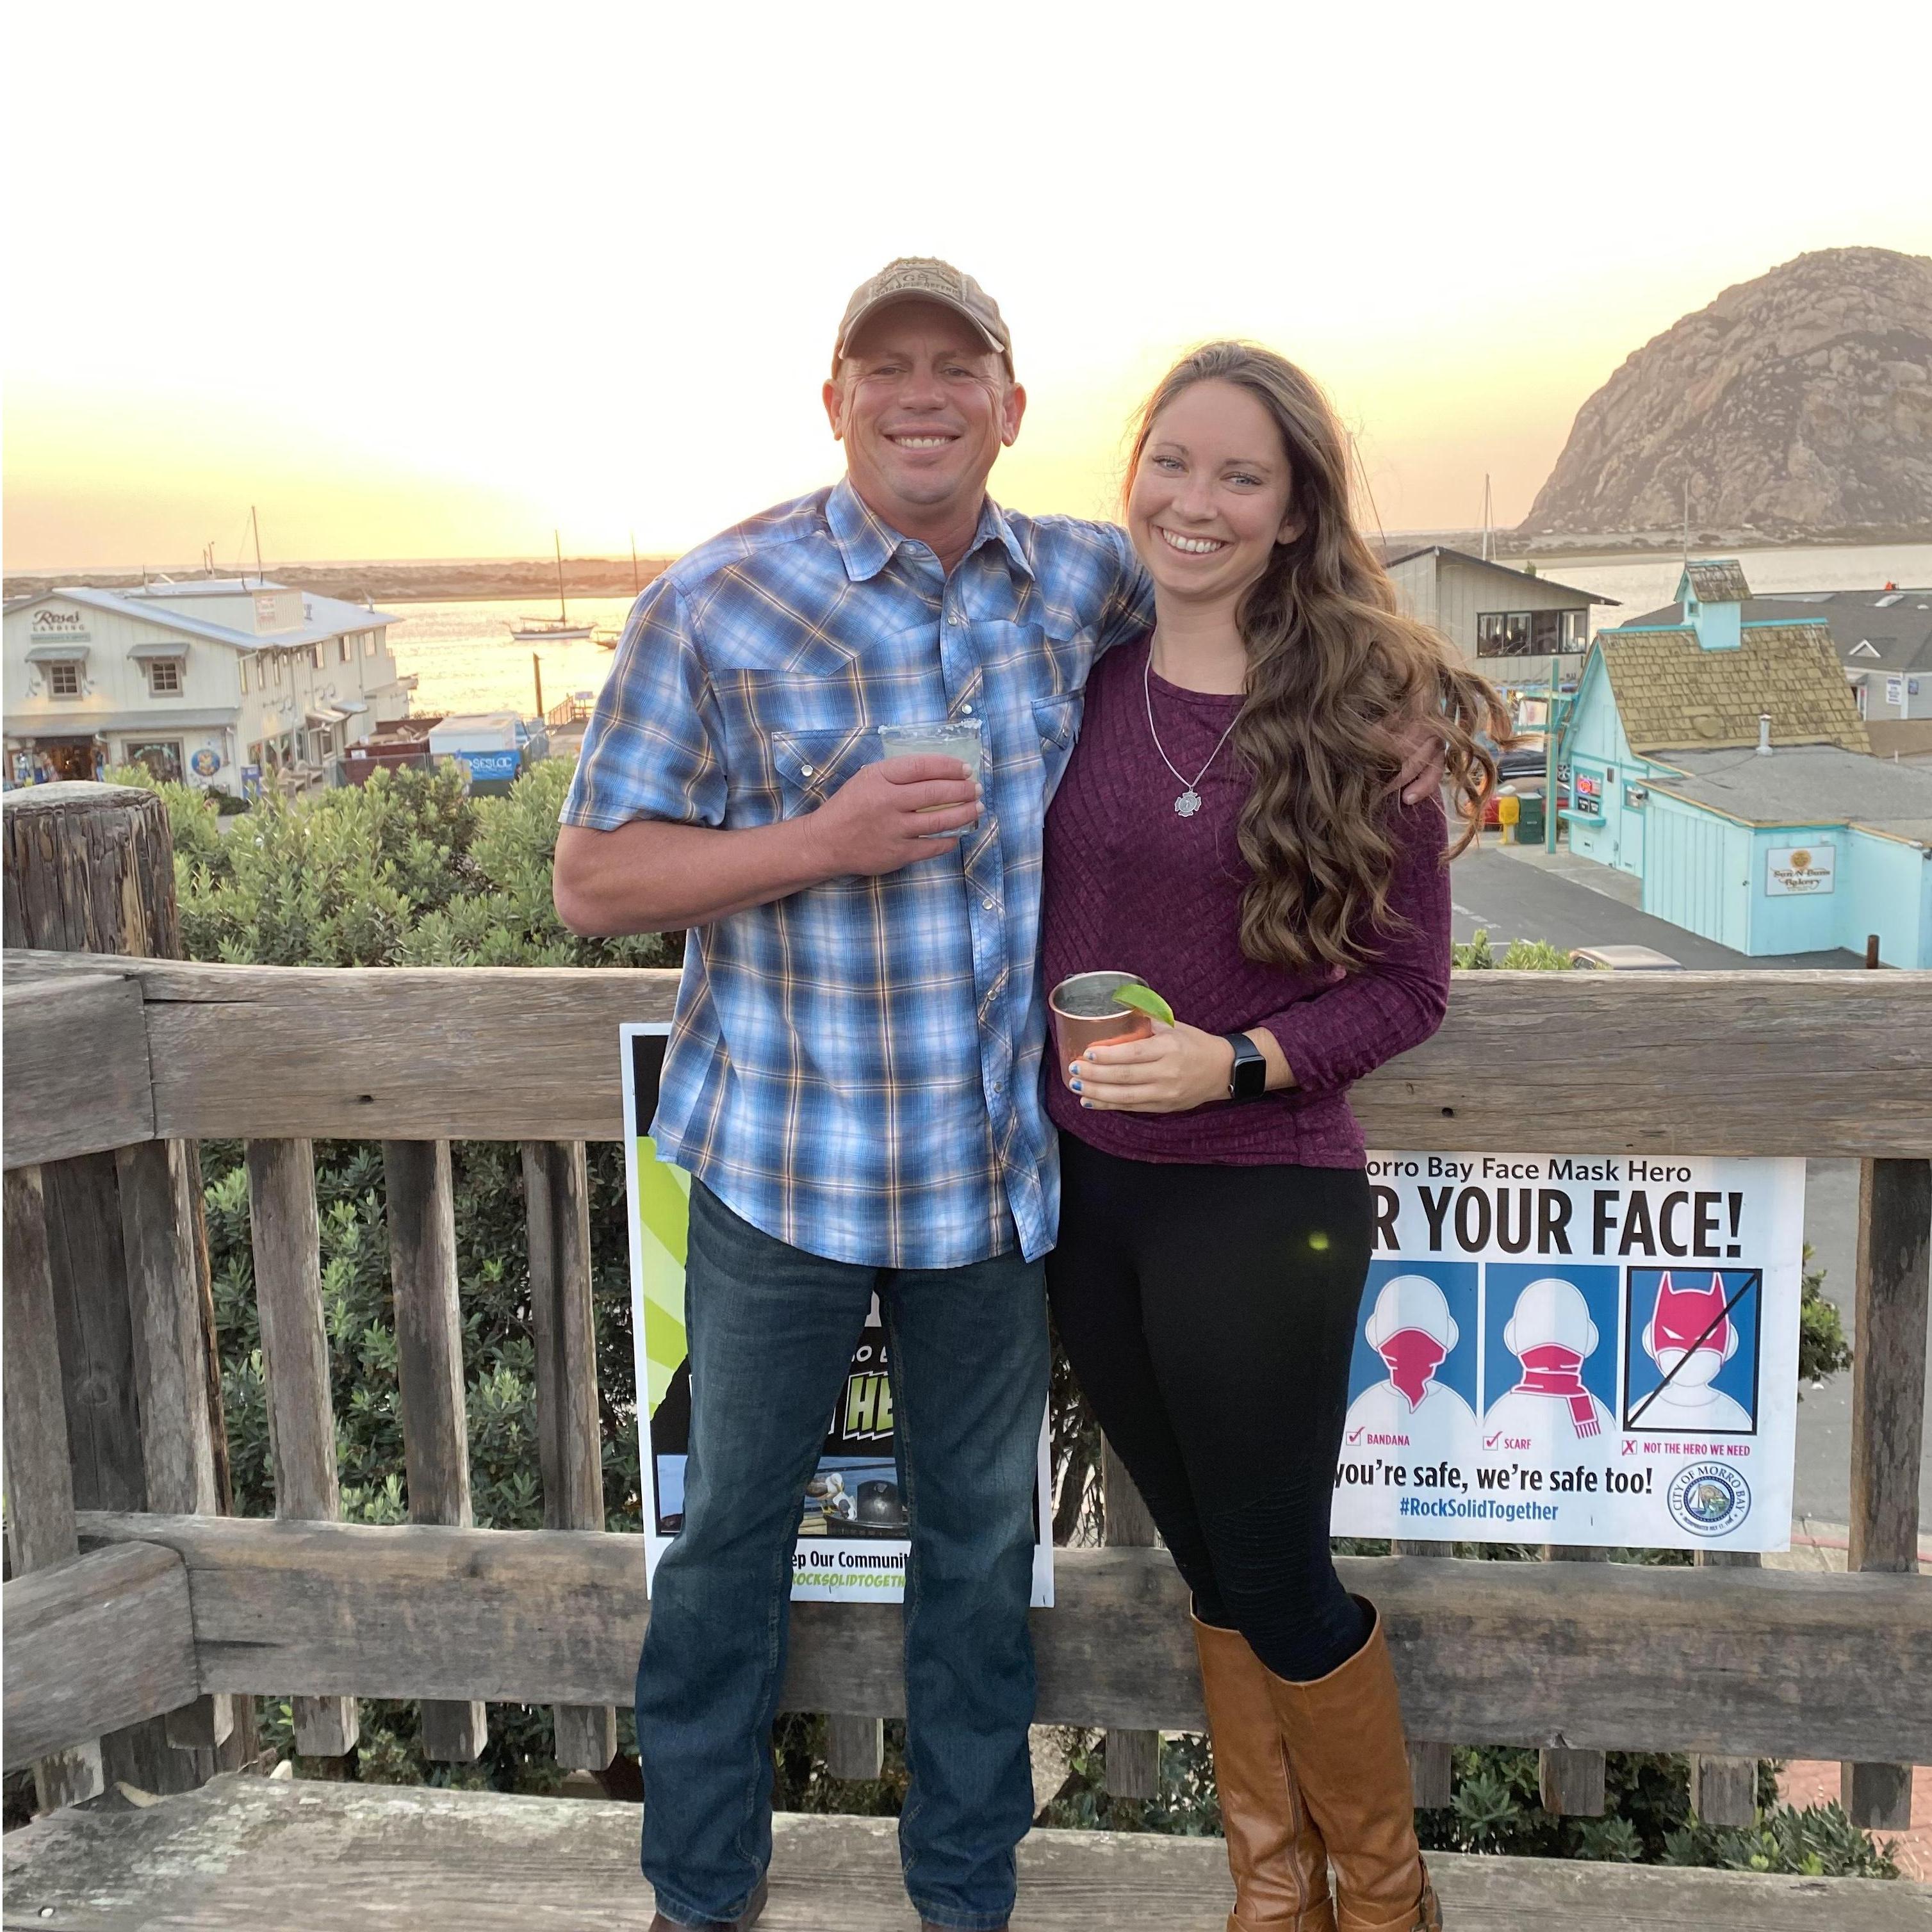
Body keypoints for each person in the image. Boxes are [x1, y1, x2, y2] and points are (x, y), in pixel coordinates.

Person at [553, 263, 1446, 1932]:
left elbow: (1264, 586)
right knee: (730, 1541)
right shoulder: (714, 600)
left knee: (977, 1561)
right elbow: (592, 879)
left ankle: (966, 1896)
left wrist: (1415, 703)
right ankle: (700, 1893)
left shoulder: (1078, 579)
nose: (921, 395)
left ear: (1011, 407)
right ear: (833, 399)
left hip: (993, 1190)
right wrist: (822, 840)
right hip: (784, 1176)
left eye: (955, 367)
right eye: (883, 366)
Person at [1042, 342, 1508, 1932]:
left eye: (1240, 474)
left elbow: (1408, 986)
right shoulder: (1078, 668)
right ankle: (1272, 1886)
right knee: (1211, 1567)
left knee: (1274, 1566)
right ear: (1132, 476)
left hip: (1260, 1200)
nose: (1196, 500)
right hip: (1084, 1203)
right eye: (1171, 461)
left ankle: (1379, 1899)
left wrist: (1232, 1060)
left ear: (1294, 510)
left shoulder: (1361, 714)